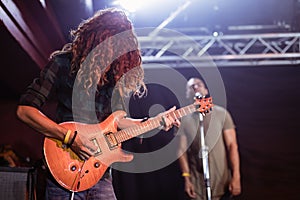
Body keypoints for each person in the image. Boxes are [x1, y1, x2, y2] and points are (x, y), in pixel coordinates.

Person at [16, 8, 179, 200]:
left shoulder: (115, 77)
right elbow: (25, 111)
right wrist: (69, 137)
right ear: (97, 40)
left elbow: (118, 121)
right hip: (66, 167)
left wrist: (155, 121)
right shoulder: (63, 64)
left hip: (100, 173)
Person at [177, 77, 241, 200]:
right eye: (191, 86)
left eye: (198, 84)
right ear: (187, 93)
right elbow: (181, 151)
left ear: (206, 91)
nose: (195, 87)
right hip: (197, 181)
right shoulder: (183, 119)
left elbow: (232, 146)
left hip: (221, 180)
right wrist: (186, 178)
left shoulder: (221, 113)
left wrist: (236, 176)